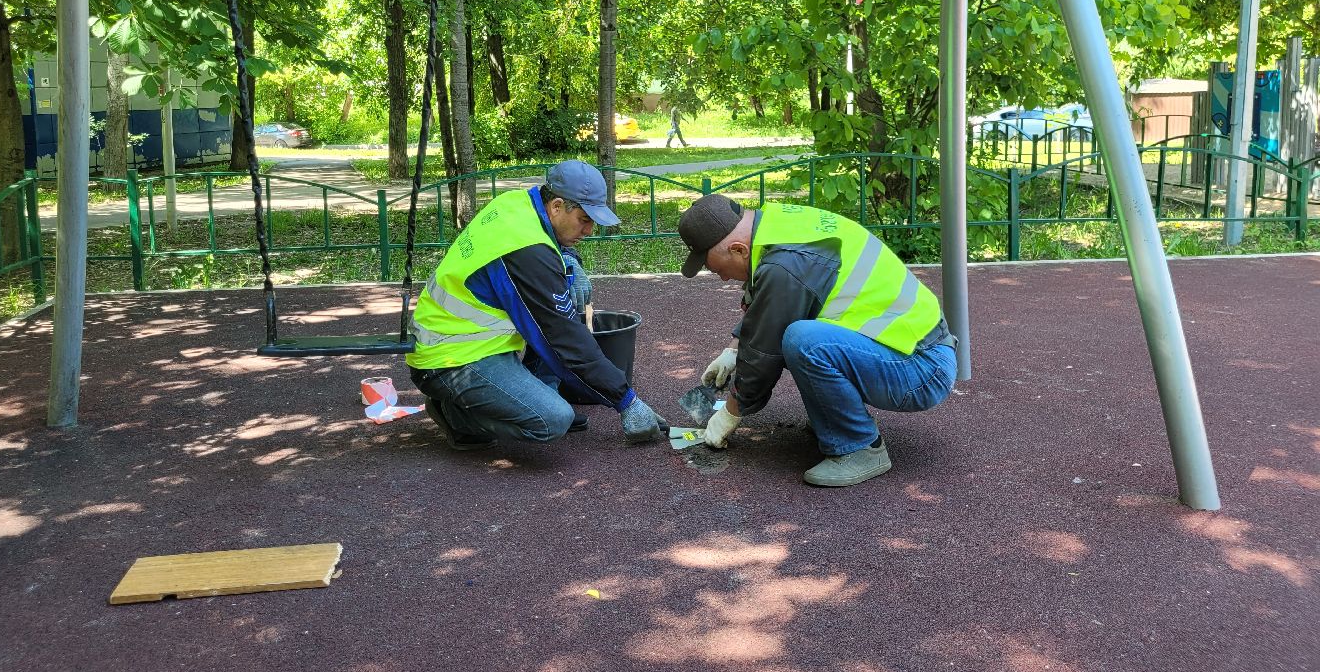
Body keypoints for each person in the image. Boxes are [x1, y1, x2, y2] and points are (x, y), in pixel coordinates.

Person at [676, 194, 956, 487]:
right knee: (798, 334)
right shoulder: (777, 223)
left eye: (717, 269)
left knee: (802, 340)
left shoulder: (784, 265)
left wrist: (730, 413)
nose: (722, 278)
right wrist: (733, 349)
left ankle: (859, 446)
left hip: (922, 369)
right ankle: (834, 419)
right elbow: (774, 303)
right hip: (911, 348)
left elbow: (762, 355)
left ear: (738, 249)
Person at [406, 160, 667, 450]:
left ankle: (530, 395)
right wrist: (626, 400)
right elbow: (564, 337)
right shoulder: (527, 250)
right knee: (554, 419)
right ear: (556, 206)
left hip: (466, 341)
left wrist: (568, 260)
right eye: (584, 219)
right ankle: (457, 416)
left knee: (551, 318)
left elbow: (546, 249)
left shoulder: (518, 203)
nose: (590, 230)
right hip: (450, 359)